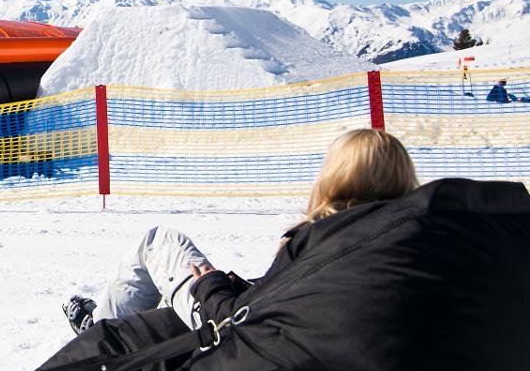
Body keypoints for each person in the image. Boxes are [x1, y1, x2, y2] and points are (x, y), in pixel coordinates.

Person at [64, 128, 420, 334]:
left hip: (232, 328)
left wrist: (213, 287)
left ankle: (98, 334)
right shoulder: (418, 242)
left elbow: (263, 317)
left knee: (157, 241)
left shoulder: (320, 239)